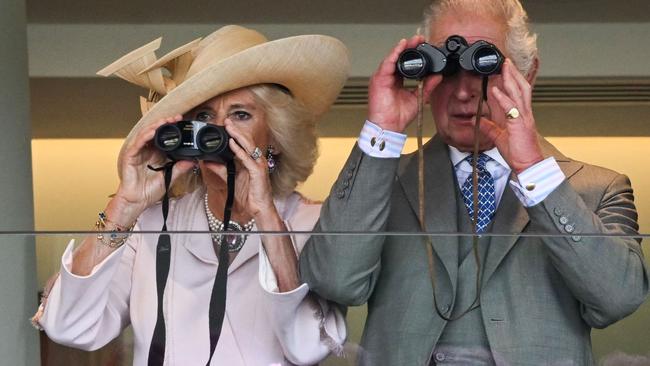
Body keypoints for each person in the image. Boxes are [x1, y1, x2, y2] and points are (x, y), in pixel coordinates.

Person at [299, 1, 649, 365]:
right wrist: (382, 131)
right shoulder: (384, 181)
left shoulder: (595, 189)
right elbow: (334, 280)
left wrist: (533, 171)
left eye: (485, 66)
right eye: (447, 70)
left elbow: (617, 299)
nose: (464, 92)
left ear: (527, 75)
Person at [33, 25, 350, 366]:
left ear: (274, 136)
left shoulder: (311, 224)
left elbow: (308, 346)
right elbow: (69, 326)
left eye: (240, 114)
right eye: (204, 117)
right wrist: (123, 206)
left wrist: (266, 215)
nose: (219, 130)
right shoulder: (153, 224)